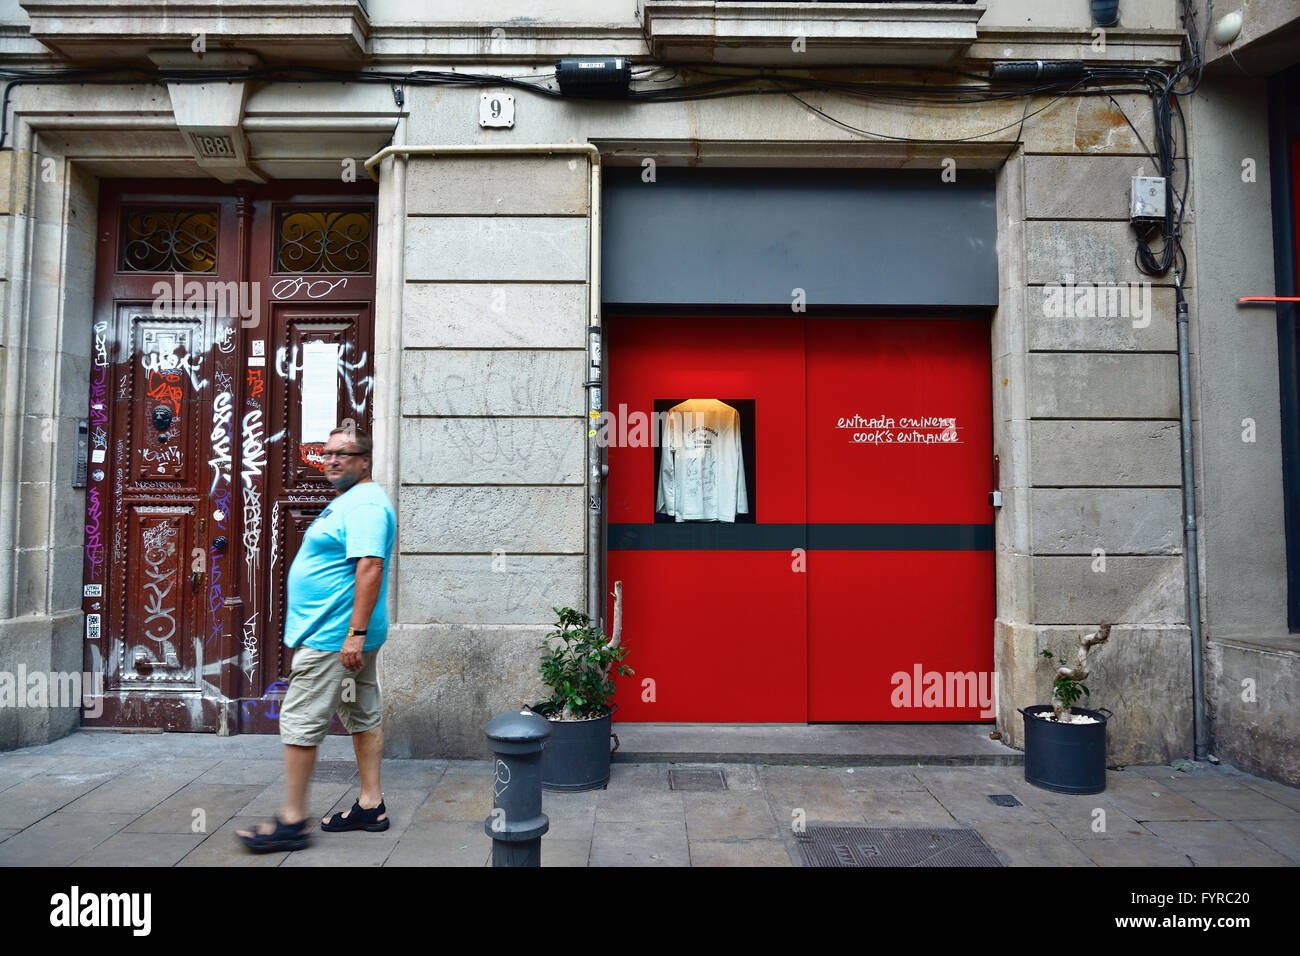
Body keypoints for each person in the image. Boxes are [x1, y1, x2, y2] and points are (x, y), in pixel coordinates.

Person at [238, 424, 396, 852]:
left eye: (343, 454)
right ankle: (371, 804)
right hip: (343, 637)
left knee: (300, 722)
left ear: (364, 461)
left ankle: (291, 821)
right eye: (326, 454)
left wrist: (354, 636)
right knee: (362, 712)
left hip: (333, 639)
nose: (331, 460)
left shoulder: (364, 505)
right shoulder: (350, 501)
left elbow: (370, 567)